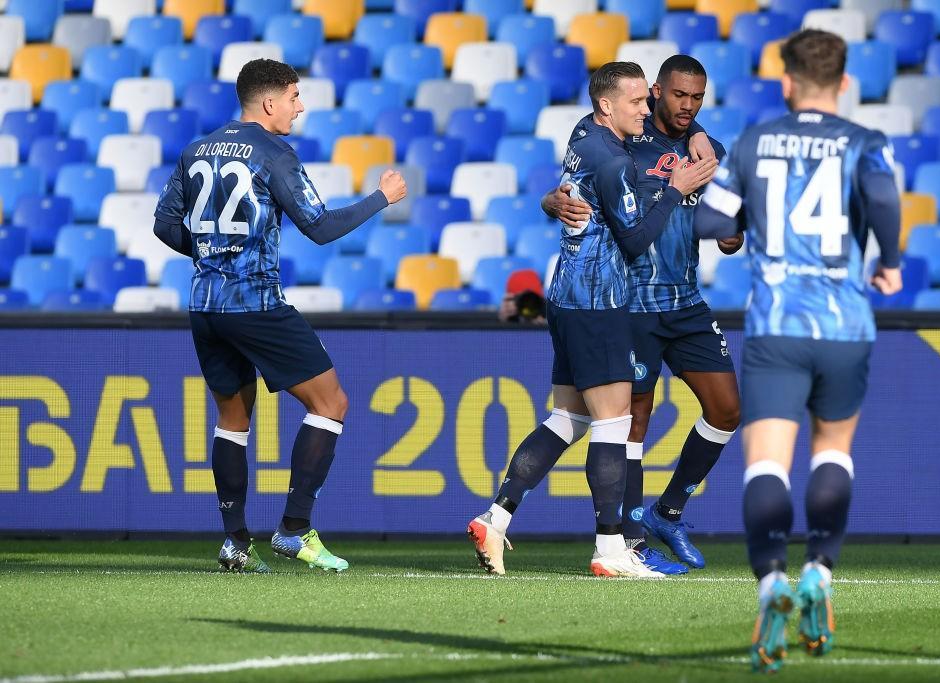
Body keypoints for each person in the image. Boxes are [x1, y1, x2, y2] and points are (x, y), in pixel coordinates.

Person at [694, 29, 902, 672]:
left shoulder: (755, 141)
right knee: (833, 451)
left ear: (786, 82)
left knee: (767, 466)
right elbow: (883, 199)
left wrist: (741, 222)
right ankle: (819, 572)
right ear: (844, 84)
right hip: (844, 325)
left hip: (777, 325)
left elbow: (711, 222)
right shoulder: (866, 142)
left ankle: (770, 585)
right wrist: (888, 260)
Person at [152, 59, 407, 573]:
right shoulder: (273, 153)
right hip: (256, 302)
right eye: (294, 96)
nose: (300, 106)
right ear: (269, 103)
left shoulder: (195, 149)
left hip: (205, 304)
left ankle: (234, 543)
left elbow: (163, 225)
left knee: (232, 420)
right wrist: (382, 197)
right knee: (331, 403)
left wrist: (212, 253)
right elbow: (319, 226)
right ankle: (294, 529)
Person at [468, 61, 691, 578]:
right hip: (599, 300)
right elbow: (635, 242)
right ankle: (610, 549)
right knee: (613, 425)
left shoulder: (584, 132)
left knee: (568, 419)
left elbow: (569, 193)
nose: (646, 109)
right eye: (637, 102)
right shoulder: (612, 160)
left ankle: (494, 519)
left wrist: (552, 201)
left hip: (566, 296)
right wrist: (675, 190)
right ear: (607, 105)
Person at [542, 55, 743, 576]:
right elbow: (574, 182)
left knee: (726, 410)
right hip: (630, 304)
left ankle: (667, 510)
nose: (688, 106)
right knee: (632, 422)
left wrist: (731, 232)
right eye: (679, 96)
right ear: (654, 93)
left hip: (686, 301)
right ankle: (627, 539)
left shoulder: (707, 151)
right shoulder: (624, 139)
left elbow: (728, 228)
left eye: (697, 99)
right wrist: (551, 201)